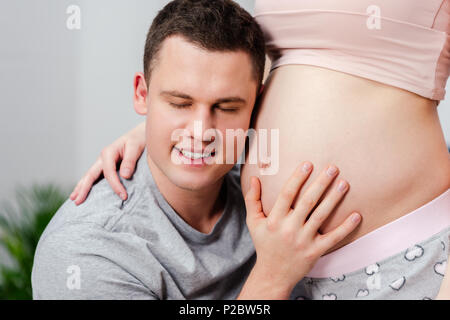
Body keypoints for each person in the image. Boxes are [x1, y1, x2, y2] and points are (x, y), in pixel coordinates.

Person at [72, 0, 450, 299]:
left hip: (411, 258)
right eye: (179, 101)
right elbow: (259, 69)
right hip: (292, 277)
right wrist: (164, 128)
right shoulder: (92, 250)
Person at [31, 0, 361, 299]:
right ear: (142, 95)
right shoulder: (89, 252)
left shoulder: (253, 169)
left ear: (257, 107)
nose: (201, 132)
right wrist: (272, 278)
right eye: (179, 102)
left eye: (227, 107)